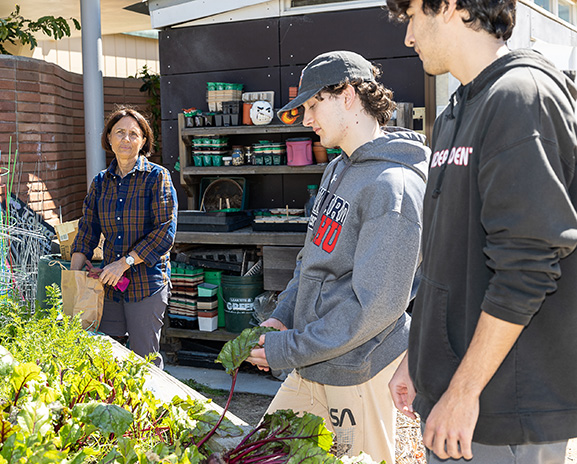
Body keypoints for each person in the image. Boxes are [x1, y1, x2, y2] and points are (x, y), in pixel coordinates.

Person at [384, 0, 577, 461]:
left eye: (411, 16)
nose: (407, 37)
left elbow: (527, 266)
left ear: (448, 7)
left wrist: (463, 391)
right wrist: (419, 356)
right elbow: (447, 256)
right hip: (459, 401)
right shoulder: (458, 108)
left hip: (502, 412)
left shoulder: (520, 97)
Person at [245, 51, 429, 464]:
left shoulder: (392, 185)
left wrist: (287, 348)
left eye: (313, 105)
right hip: (313, 361)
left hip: (358, 369)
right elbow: (311, 261)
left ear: (346, 95)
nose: (307, 118)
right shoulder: (337, 168)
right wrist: (284, 314)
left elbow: (375, 306)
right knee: (264, 453)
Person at [70, 107, 177, 369]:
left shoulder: (157, 177)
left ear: (143, 141)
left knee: (144, 361)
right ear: (109, 138)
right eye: (119, 133)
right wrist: (74, 279)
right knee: (104, 356)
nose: (126, 139)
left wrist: (124, 263)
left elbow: (165, 232)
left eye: (133, 134)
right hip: (109, 286)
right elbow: (88, 228)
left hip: (146, 284)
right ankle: (113, 409)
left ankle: (149, 410)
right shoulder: (100, 182)